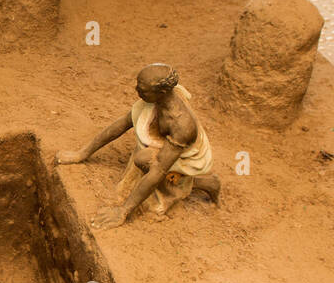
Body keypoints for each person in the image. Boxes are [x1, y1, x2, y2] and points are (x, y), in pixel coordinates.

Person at [55, 63, 220, 229]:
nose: (136, 90)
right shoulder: (158, 99)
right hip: (165, 143)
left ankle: (199, 183)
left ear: (161, 92)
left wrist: (123, 211)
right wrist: (82, 154)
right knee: (144, 157)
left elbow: (158, 170)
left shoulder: (182, 125)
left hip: (187, 157)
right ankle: (205, 183)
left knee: (144, 159)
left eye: (142, 89)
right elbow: (122, 124)